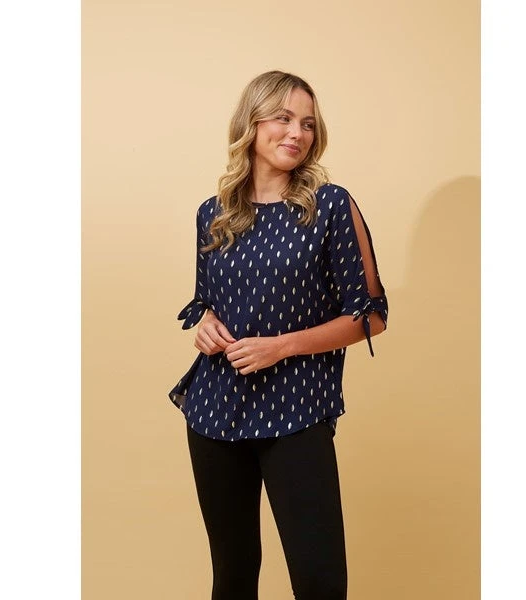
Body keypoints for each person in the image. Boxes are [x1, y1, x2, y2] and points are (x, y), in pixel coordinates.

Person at [169, 70, 388, 600]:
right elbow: (208, 301)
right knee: (233, 575)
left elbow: (371, 314)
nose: (297, 133)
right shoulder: (214, 213)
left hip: (297, 407)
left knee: (319, 582)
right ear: (251, 123)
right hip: (216, 408)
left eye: (308, 123)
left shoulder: (330, 205)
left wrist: (282, 346)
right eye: (283, 118)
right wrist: (206, 325)